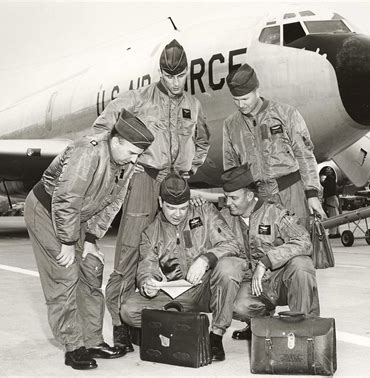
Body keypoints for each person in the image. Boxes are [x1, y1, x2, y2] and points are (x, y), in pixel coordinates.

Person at [92, 39, 210, 352]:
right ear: (160, 72)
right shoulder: (139, 99)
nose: (175, 82)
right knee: (130, 249)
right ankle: (120, 324)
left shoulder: (194, 106)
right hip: (145, 179)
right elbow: (104, 125)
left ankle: (151, 315)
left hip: (175, 186)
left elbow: (202, 142)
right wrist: (114, 163)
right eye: (169, 76)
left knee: (172, 252)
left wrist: (188, 170)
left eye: (180, 75)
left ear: (186, 72)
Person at [24, 110, 154, 370]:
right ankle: (73, 347)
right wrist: (68, 243)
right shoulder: (88, 152)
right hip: (47, 210)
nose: (134, 160)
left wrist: (92, 238)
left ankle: (93, 340)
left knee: (92, 269)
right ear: (116, 141)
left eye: (138, 155)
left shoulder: (126, 161)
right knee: (64, 275)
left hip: (80, 216)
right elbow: (66, 199)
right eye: (131, 152)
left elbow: (113, 202)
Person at [120, 173, 245, 361]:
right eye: (171, 208)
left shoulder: (205, 212)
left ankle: (216, 336)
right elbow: (146, 266)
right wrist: (148, 284)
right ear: (161, 202)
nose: (178, 214)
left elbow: (232, 244)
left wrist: (205, 259)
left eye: (183, 208)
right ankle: (185, 324)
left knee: (230, 267)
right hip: (180, 293)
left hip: (210, 287)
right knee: (129, 310)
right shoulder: (151, 232)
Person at [220, 164, 320, 340]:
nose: (228, 203)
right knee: (235, 306)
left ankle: (306, 329)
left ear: (250, 196)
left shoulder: (275, 213)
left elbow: (304, 241)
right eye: (226, 197)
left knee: (301, 265)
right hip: (254, 286)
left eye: (234, 198)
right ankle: (260, 323)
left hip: (281, 282)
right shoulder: (224, 218)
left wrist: (266, 261)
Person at [223, 63, 325, 230]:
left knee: (300, 245)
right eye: (236, 100)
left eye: (245, 99)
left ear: (257, 90)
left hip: (291, 193)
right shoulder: (231, 125)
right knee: (265, 250)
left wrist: (312, 194)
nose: (241, 105)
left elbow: (305, 155)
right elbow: (231, 167)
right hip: (259, 199)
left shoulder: (286, 114)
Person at [321, 167, 340, 238]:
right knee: (336, 215)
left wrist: (325, 198)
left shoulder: (329, 180)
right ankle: (337, 232)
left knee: (333, 216)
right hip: (334, 198)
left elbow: (329, 190)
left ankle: (333, 233)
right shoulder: (332, 179)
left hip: (331, 198)